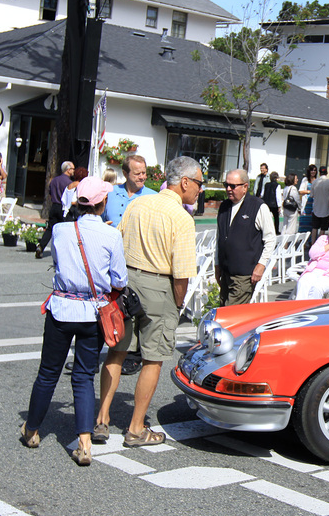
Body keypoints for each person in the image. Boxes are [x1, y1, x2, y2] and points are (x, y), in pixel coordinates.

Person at [94, 157, 202, 448]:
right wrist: (178, 304)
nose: (200, 190)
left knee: (116, 351)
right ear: (185, 182)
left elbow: (117, 242)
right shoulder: (181, 217)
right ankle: (135, 427)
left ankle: (101, 419)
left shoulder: (138, 203)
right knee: (152, 359)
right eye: (200, 183)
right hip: (159, 286)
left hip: (127, 281)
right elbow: (182, 274)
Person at [20, 177, 125, 466]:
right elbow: (120, 279)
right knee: (83, 376)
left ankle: (31, 430)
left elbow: (57, 261)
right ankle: (85, 442)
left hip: (61, 308)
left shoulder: (60, 230)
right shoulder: (111, 236)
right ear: (103, 204)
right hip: (94, 313)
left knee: (48, 373)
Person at [215, 168, 277, 306]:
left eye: (233, 186)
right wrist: (217, 264)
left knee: (232, 314)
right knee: (223, 310)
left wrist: (261, 265)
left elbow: (270, 239)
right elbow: (219, 237)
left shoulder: (258, 207)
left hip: (244, 274)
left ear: (245, 187)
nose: (228, 189)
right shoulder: (224, 206)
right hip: (226, 271)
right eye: (226, 185)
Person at [102, 154, 156, 228]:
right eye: (137, 174)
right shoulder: (111, 192)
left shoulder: (153, 197)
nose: (142, 177)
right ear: (125, 174)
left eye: (144, 173)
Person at [37, 161, 75, 258]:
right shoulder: (69, 183)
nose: (74, 171)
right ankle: (63, 252)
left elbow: (50, 193)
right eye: (73, 169)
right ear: (68, 170)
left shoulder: (54, 180)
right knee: (64, 229)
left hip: (54, 205)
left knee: (50, 228)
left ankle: (41, 246)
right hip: (63, 207)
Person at [310, 166, 329, 241]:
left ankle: (313, 243)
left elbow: (312, 195)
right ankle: (320, 244)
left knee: (314, 228)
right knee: (323, 229)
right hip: (326, 209)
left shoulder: (314, 182)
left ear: (319, 173)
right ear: (327, 173)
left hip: (316, 209)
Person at [298, 164, 318, 237]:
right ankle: (302, 239)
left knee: (312, 224)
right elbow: (300, 191)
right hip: (306, 204)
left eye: (314, 170)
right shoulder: (305, 180)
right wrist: (309, 192)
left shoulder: (317, 180)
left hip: (314, 204)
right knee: (304, 223)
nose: (313, 172)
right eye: (312, 170)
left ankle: (311, 240)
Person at [261, 170, 281, 235]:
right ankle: (276, 230)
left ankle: (264, 229)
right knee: (276, 218)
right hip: (274, 204)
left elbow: (262, 194)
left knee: (265, 217)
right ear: (277, 178)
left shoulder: (266, 185)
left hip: (266, 203)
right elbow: (278, 196)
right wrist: (279, 206)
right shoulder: (277, 185)